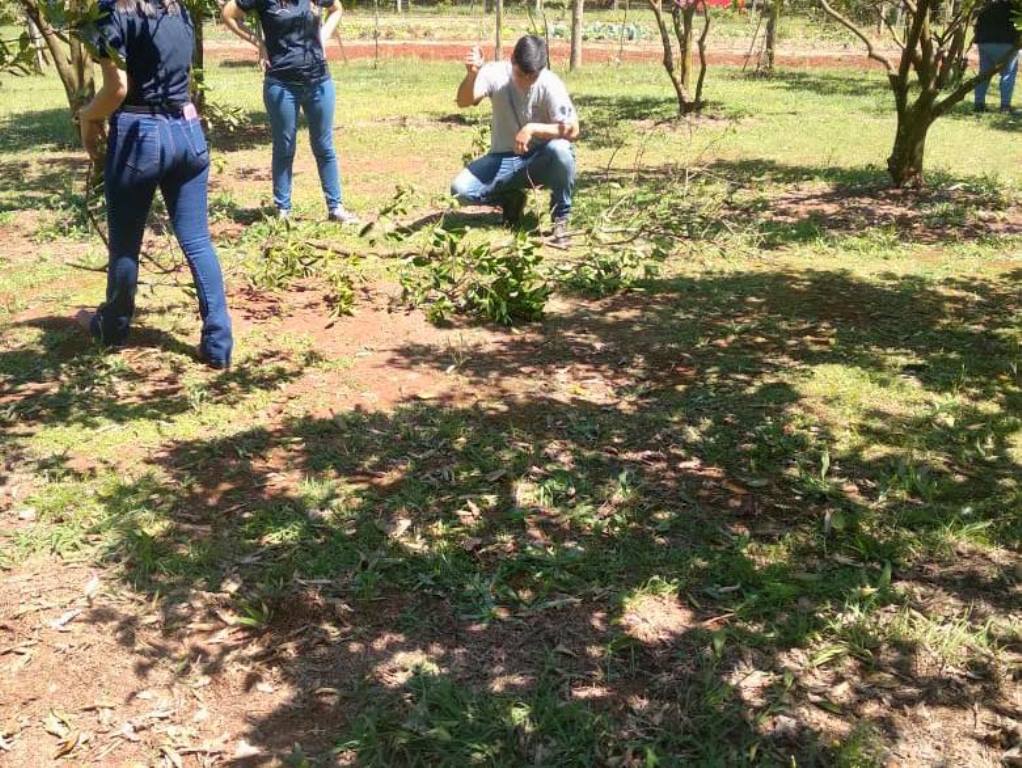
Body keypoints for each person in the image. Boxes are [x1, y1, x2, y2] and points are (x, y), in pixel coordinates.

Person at [77, 0, 233, 369]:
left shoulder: (109, 11)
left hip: (139, 134)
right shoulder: (177, 9)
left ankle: (113, 327)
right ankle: (218, 342)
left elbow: (117, 89)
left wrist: (87, 116)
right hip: (188, 130)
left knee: (126, 244)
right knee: (198, 241)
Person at [222, 0, 358, 223]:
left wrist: (323, 36)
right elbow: (228, 14)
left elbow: (337, 8)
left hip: (319, 81)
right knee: (285, 146)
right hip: (281, 83)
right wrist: (260, 43)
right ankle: (283, 210)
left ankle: (336, 208)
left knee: (324, 146)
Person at [451, 35, 580, 246]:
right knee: (459, 191)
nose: (526, 81)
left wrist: (533, 128)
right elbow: (464, 102)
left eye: (533, 76)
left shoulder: (550, 83)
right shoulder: (494, 73)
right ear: (512, 60)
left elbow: (573, 130)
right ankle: (510, 199)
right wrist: (471, 76)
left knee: (562, 149)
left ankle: (560, 219)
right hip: (503, 159)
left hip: (540, 160)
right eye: (521, 74)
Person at [974, 0, 1020, 113]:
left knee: (984, 73)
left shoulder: (986, 5)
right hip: (1007, 43)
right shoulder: (1014, 6)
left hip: (985, 43)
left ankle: (978, 104)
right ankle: (1005, 106)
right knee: (1007, 75)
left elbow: (977, 25)